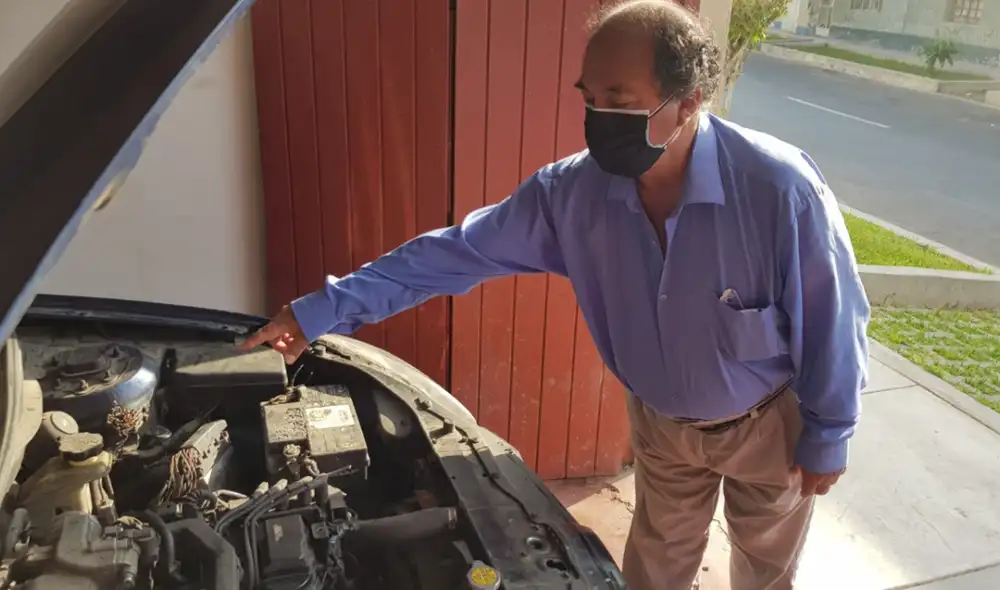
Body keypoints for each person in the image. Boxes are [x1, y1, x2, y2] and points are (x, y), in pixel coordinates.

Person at [241, 1, 870, 588]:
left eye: (619, 100)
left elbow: (835, 317)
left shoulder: (778, 191)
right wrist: (320, 308)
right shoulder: (571, 196)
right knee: (657, 561)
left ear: (689, 102)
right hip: (661, 426)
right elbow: (452, 254)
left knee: (766, 565)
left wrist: (829, 434)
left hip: (766, 425)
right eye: (589, 98)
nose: (598, 119)